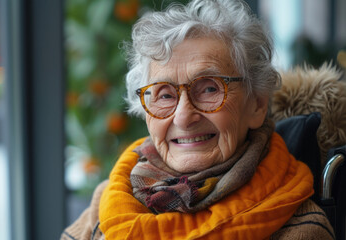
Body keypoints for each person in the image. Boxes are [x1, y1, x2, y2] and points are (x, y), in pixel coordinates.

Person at [61, 0, 334, 239]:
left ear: (257, 104)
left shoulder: (300, 229)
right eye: (165, 95)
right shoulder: (109, 199)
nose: (183, 116)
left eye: (209, 89)